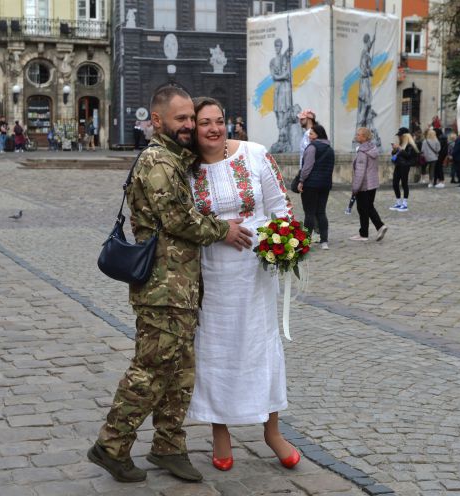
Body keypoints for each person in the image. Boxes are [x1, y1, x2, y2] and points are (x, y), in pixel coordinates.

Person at [88, 86, 253, 484]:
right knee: (149, 371)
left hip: (180, 288)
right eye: (181, 119)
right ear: (157, 120)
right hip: (162, 289)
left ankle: (168, 447)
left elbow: (209, 151)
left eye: (191, 119)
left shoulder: (176, 158)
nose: (189, 126)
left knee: (180, 374)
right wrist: (223, 230)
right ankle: (111, 445)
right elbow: (179, 219)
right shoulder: (158, 161)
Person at [186, 95, 300, 473]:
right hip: (214, 274)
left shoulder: (254, 153)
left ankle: (272, 431)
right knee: (217, 351)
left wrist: (283, 243)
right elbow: (184, 221)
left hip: (255, 272)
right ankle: (220, 431)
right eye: (205, 123)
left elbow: (280, 206)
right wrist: (221, 233)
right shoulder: (187, 170)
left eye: (219, 120)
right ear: (194, 129)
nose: (215, 128)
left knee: (261, 347)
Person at [298, 123, 334, 249]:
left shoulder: (312, 147)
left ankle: (306, 241)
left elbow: (307, 167)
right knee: (321, 212)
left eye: (311, 134)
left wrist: (301, 181)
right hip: (325, 185)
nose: (309, 136)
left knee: (309, 213)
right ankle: (324, 241)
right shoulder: (330, 149)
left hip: (311, 185)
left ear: (318, 135)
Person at [351, 127, 387, 242]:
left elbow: (360, 173)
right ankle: (364, 233)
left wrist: (355, 188)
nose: (356, 136)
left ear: (365, 137)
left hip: (364, 185)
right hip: (373, 184)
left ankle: (379, 226)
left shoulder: (362, 152)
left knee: (364, 208)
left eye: (359, 135)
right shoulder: (372, 148)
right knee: (366, 207)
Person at [389, 127, 418, 211]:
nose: (399, 137)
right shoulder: (401, 143)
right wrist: (394, 149)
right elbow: (395, 154)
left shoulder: (411, 144)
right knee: (395, 183)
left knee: (404, 183)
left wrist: (400, 149)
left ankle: (405, 203)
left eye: (400, 135)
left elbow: (409, 155)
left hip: (405, 166)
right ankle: (398, 202)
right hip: (398, 165)